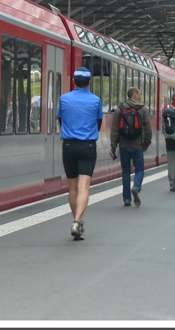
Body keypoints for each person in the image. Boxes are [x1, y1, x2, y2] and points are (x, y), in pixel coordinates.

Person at [57, 67, 103, 240]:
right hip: (88, 146)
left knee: (72, 187)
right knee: (84, 186)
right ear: (89, 82)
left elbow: (60, 120)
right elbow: (98, 123)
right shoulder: (96, 100)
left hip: (68, 146)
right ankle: (78, 221)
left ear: (74, 81)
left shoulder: (64, 99)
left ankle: (76, 219)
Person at [109, 87, 152, 207]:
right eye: (139, 94)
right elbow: (148, 129)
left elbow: (115, 130)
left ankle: (127, 199)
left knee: (126, 171)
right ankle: (136, 187)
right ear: (136, 95)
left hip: (124, 145)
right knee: (139, 170)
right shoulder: (143, 109)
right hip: (138, 145)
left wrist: (113, 147)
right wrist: (145, 144)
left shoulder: (120, 109)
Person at [161, 92, 175, 192]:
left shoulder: (166, 108)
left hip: (168, 138)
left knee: (171, 161)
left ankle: (172, 184)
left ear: (171, 99)